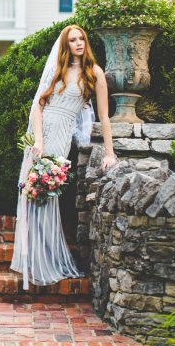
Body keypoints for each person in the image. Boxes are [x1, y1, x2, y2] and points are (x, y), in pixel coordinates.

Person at [10, 24, 117, 290]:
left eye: (82, 38)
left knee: (45, 196)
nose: (78, 43)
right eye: (72, 40)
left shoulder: (95, 74)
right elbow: (38, 106)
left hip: (60, 137)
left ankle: (47, 261)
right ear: (65, 45)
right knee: (28, 195)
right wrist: (38, 141)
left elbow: (104, 117)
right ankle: (29, 260)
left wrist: (110, 153)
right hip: (40, 137)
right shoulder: (58, 71)